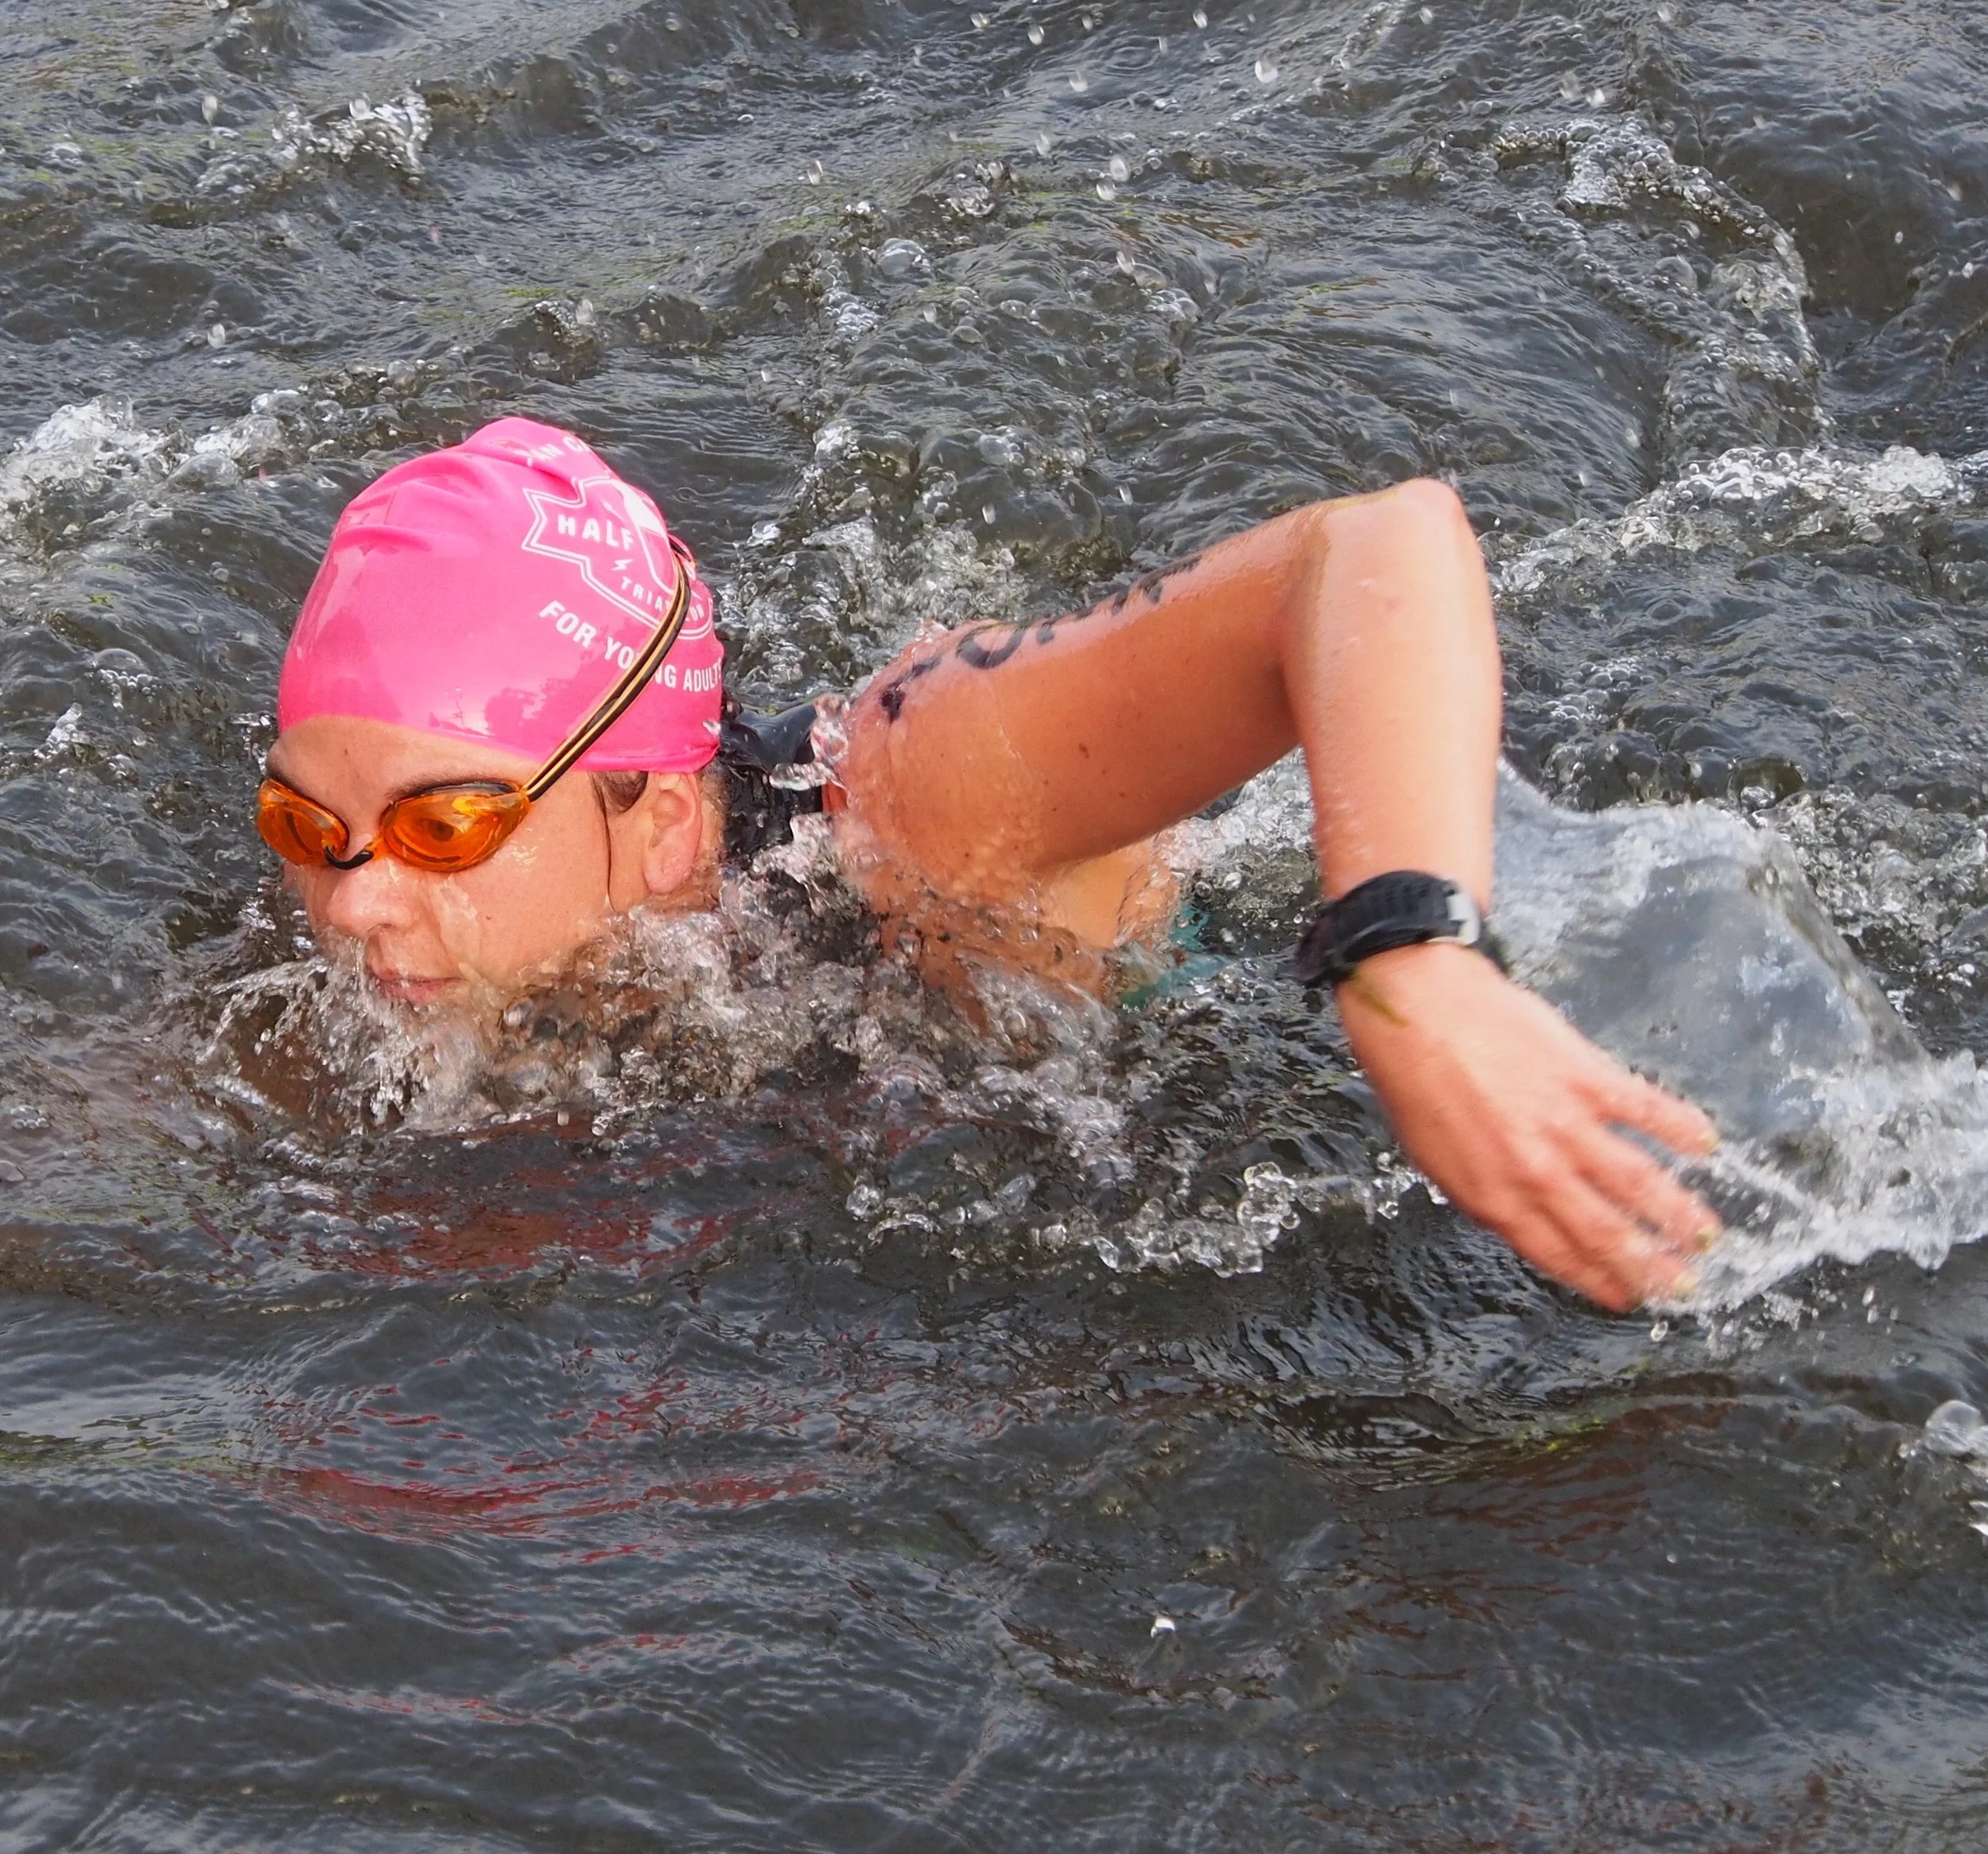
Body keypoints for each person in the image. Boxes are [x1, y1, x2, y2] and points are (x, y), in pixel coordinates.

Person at [258, 416, 1720, 1312]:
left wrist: (1413, 953)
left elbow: (1374, 550)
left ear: (665, 829)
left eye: (443, 824)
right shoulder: (385, 995)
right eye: (306, 829)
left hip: (1337, 1101)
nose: (357, 899)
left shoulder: (916, 797)